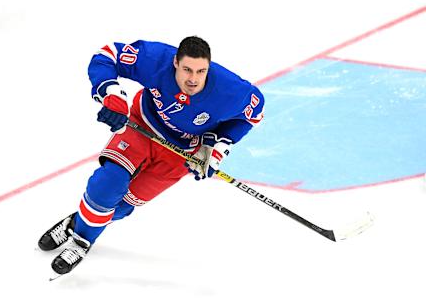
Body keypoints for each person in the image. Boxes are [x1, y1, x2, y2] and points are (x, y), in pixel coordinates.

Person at [38, 36, 265, 275]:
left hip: (182, 153)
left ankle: (76, 223)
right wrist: (112, 95)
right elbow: (106, 55)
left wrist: (217, 145)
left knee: (123, 206)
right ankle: (82, 242)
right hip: (142, 124)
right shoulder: (155, 59)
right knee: (108, 184)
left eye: (201, 71)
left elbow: (253, 114)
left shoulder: (231, 90)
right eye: (187, 69)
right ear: (175, 63)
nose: (193, 79)